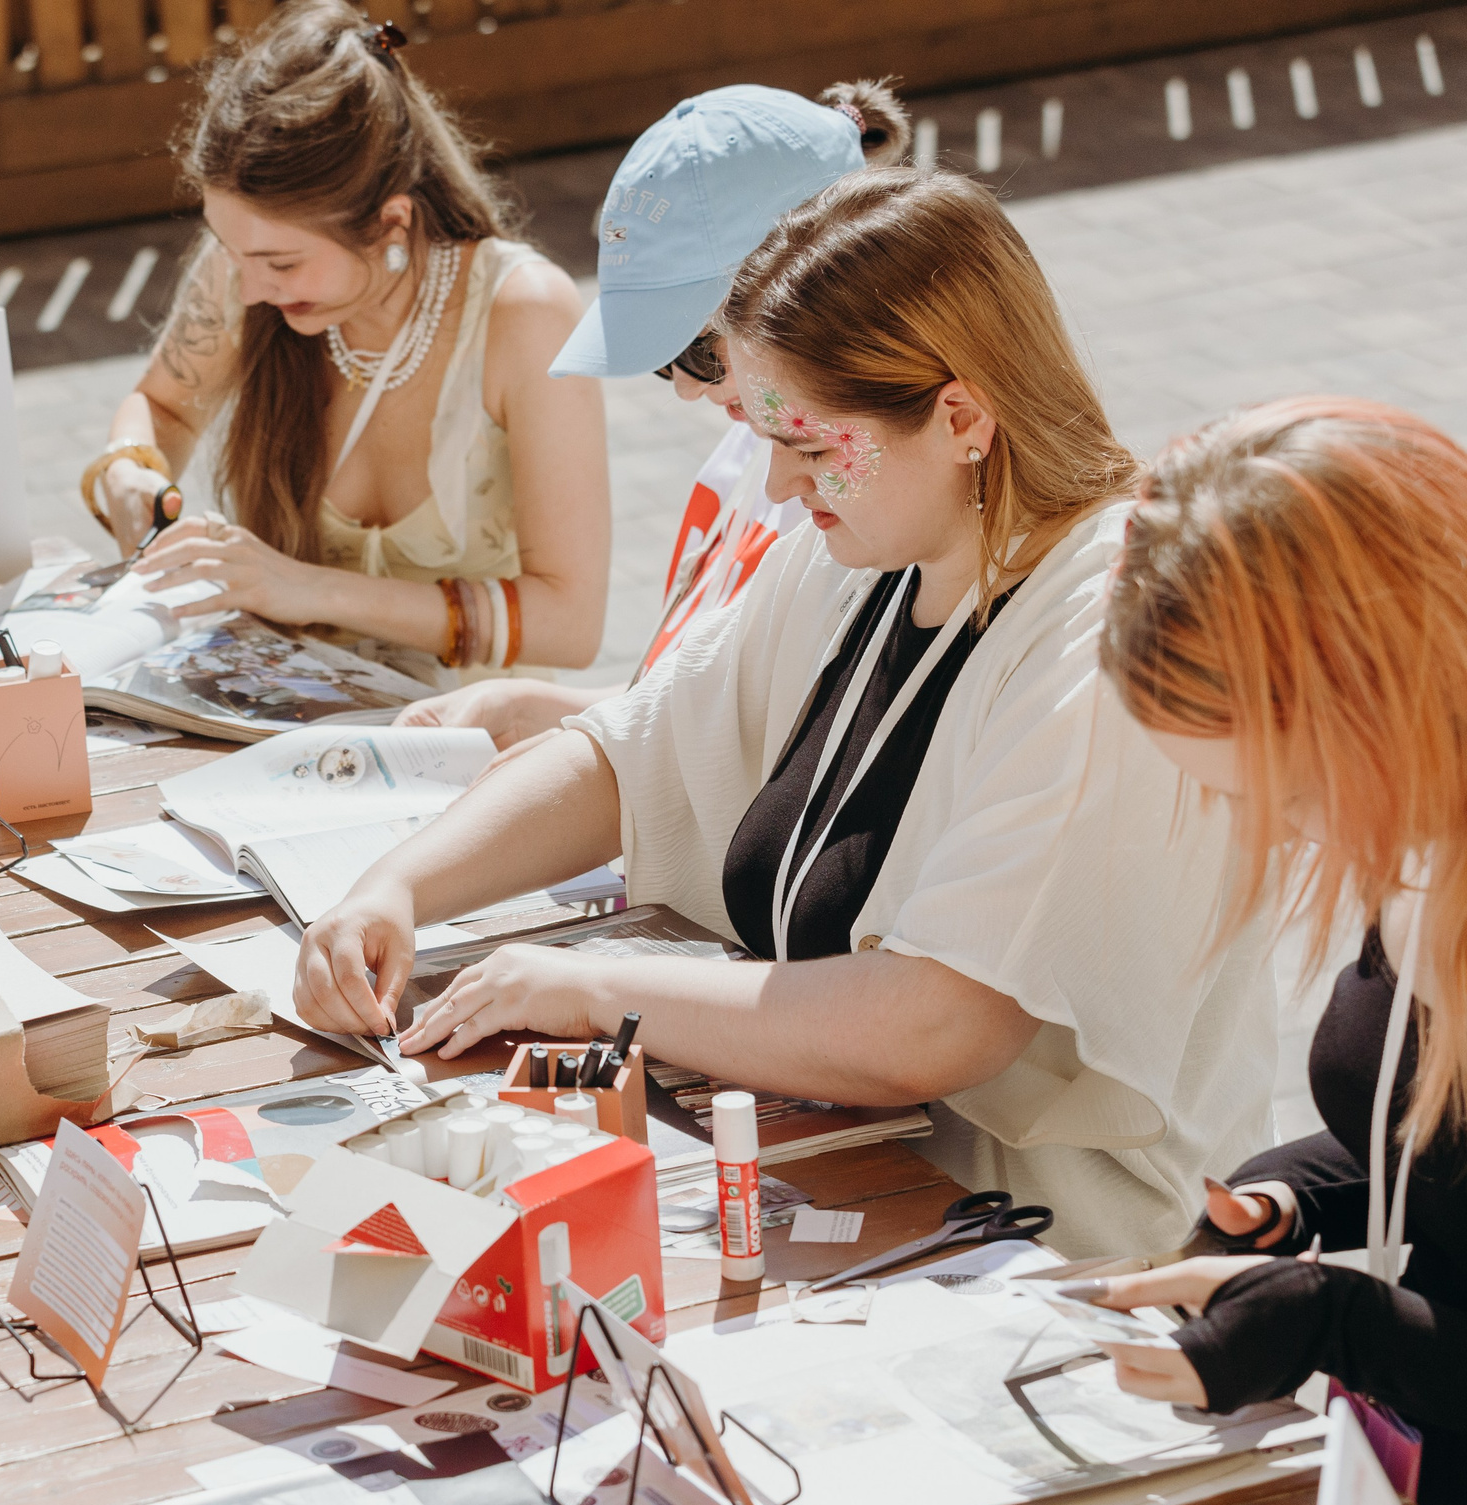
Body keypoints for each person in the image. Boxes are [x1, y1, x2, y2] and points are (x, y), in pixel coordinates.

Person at [295, 169, 1277, 1256]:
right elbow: (631, 755)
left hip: (1075, 1257)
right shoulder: (870, 547)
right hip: (875, 1186)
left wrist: (586, 992)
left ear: (960, 416)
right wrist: (394, 891)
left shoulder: (1107, 632)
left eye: (807, 448)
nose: (774, 486)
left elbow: (935, 1021)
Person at [1088, 399, 1467, 1505]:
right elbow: (1435, 1151)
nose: (1290, 835)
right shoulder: (1423, 837)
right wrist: (1293, 1200)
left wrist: (1327, 1318)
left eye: (1290, 795)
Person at [82, 0, 609, 682]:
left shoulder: (524, 313)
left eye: (281, 264)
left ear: (392, 223)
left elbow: (571, 624)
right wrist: (129, 472)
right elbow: (167, 406)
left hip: (455, 744)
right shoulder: (248, 265)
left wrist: (304, 588)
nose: (244, 291)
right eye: (231, 252)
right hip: (272, 717)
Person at [398, 79, 912, 751]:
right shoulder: (748, 451)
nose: (686, 392)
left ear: (819, 289)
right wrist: (535, 707)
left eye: (699, 352)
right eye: (661, 359)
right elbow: (709, 697)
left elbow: (779, 752)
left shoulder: (863, 494)